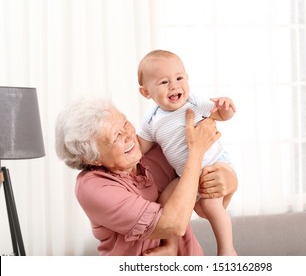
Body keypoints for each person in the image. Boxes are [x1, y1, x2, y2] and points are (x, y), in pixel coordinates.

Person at [55, 97, 237, 256]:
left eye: (125, 123)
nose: (129, 135)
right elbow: (173, 225)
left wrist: (229, 180)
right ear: (91, 157)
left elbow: (203, 208)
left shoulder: (158, 151)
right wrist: (195, 151)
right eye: (116, 136)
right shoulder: (93, 187)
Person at [137, 50, 237, 255]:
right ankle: (171, 247)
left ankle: (227, 249)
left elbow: (220, 115)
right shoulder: (151, 119)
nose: (174, 85)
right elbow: (140, 147)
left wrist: (226, 108)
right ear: (146, 92)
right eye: (164, 82)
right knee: (166, 201)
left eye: (179, 78)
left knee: (210, 205)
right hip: (187, 175)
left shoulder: (193, 102)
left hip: (213, 163)